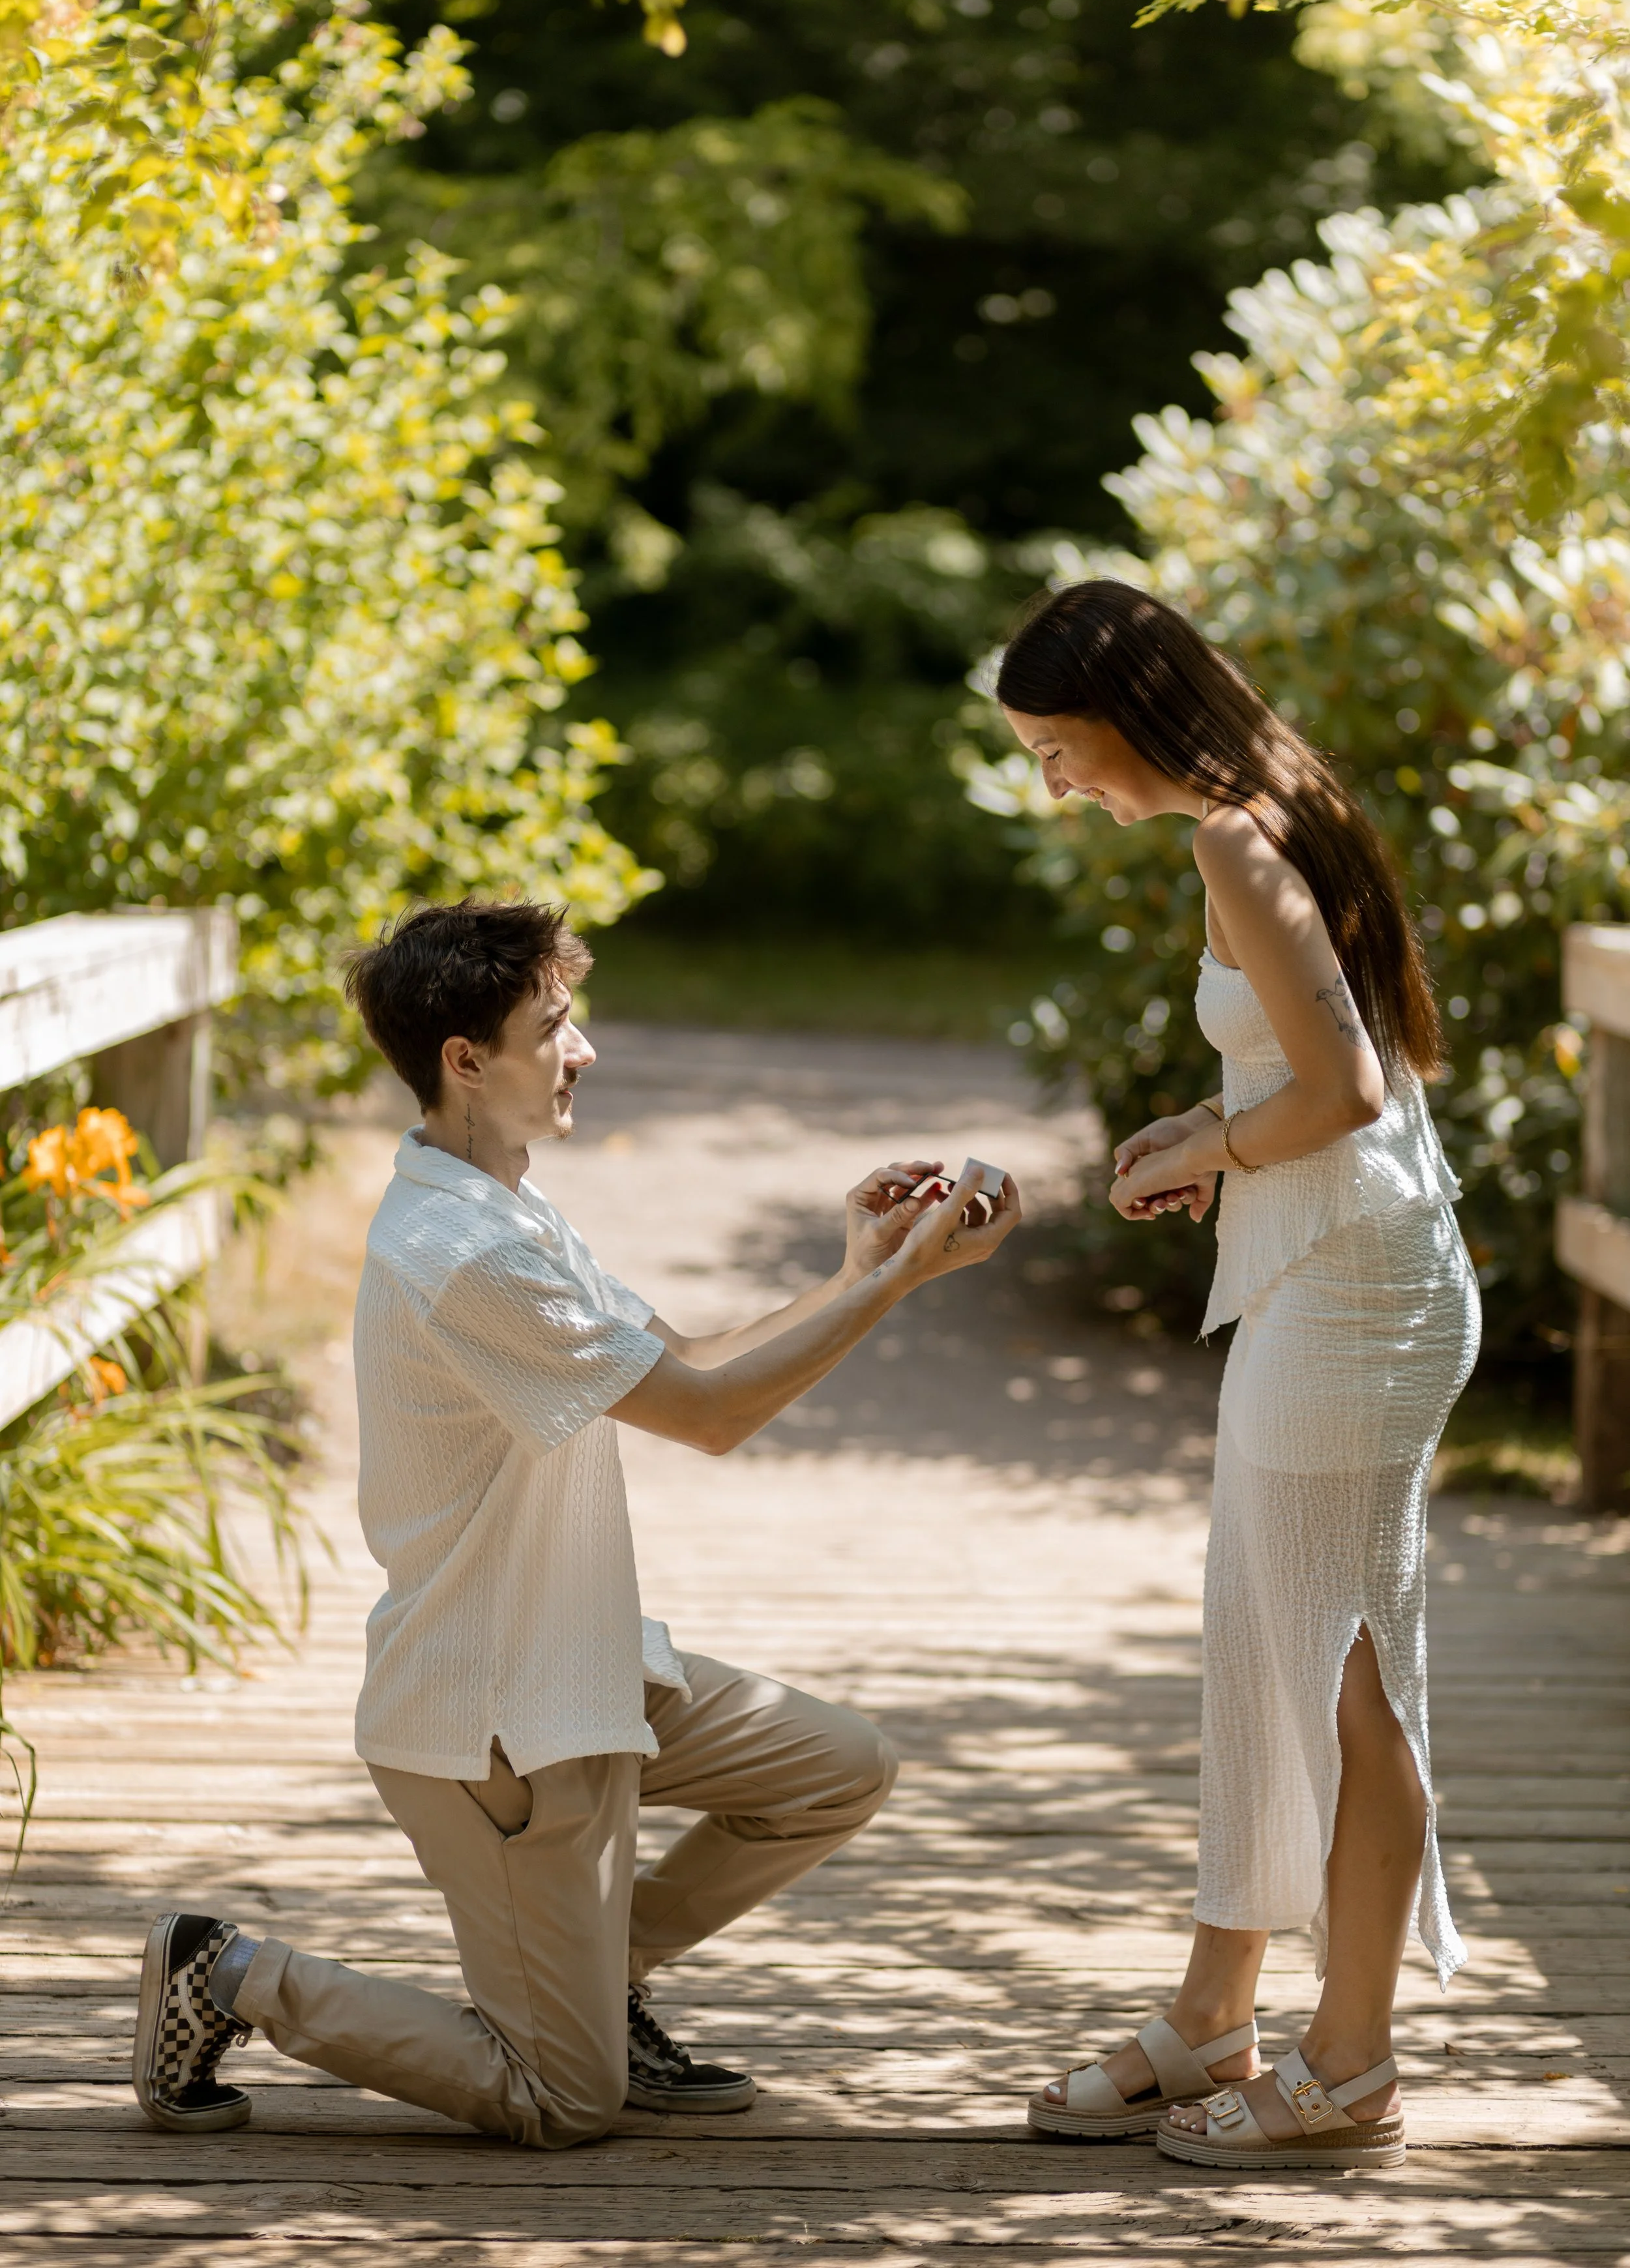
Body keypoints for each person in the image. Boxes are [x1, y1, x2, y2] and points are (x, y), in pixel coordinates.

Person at [131, 896, 1020, 2147]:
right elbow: (710, 1415)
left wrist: (859, 1267)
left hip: (585, 1668)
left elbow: (691, 1355)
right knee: (562, 2099)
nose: (583, 1049)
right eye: (554, 1026)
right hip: (499, 1720)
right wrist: (905, 1283)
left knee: (838, 1766)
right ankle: (227, 1972)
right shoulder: (464, 1253)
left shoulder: (506, 1205)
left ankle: (594, 1975)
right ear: (465, 1061)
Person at [1000, 582, 1477, 2172]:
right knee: (1264, 1647)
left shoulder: (1232, 835)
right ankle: (1217, 2015)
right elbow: (1324, 1075)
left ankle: (1348, 2070)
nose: (1054, 784)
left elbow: (1338, 1088)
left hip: (1352, 1294)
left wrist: (1214, 1141)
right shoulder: (1280, 798)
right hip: (1328, 1269)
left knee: (1343, 1676)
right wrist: (1222, 1149)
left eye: (1058, 750)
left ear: (1130, 717)